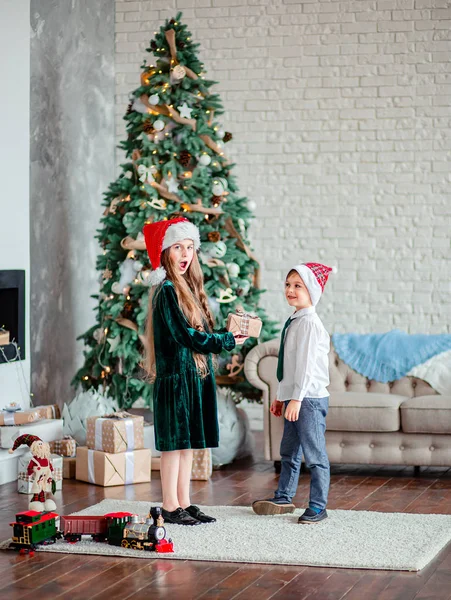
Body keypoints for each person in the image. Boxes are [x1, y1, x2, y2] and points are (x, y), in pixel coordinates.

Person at [143, 217, 247, 526]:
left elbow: (198, 333)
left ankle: (184, 502)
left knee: (187, 446)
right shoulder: (166, 293)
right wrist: (228, 340)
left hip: (191, 378)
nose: (186, 254)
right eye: (178, 247)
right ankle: (169, 505)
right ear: (165, 253)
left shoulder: (186, 288)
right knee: (174, 447)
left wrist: (228, 330)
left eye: (190, 247)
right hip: (174, 382)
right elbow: (186, 337)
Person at [252, 262, 335, 524]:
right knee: (289, 450)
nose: (290, 290)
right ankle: (284, 496)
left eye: (298, 285)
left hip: (308, 399)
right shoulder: (295, 320)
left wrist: (297, 398)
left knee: (315, 454)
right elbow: (289, 367)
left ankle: (319, 506)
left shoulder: (309, 323)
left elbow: (308, 368)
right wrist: (281, 396)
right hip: (295, 397)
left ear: (312, 291)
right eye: (288, 284)